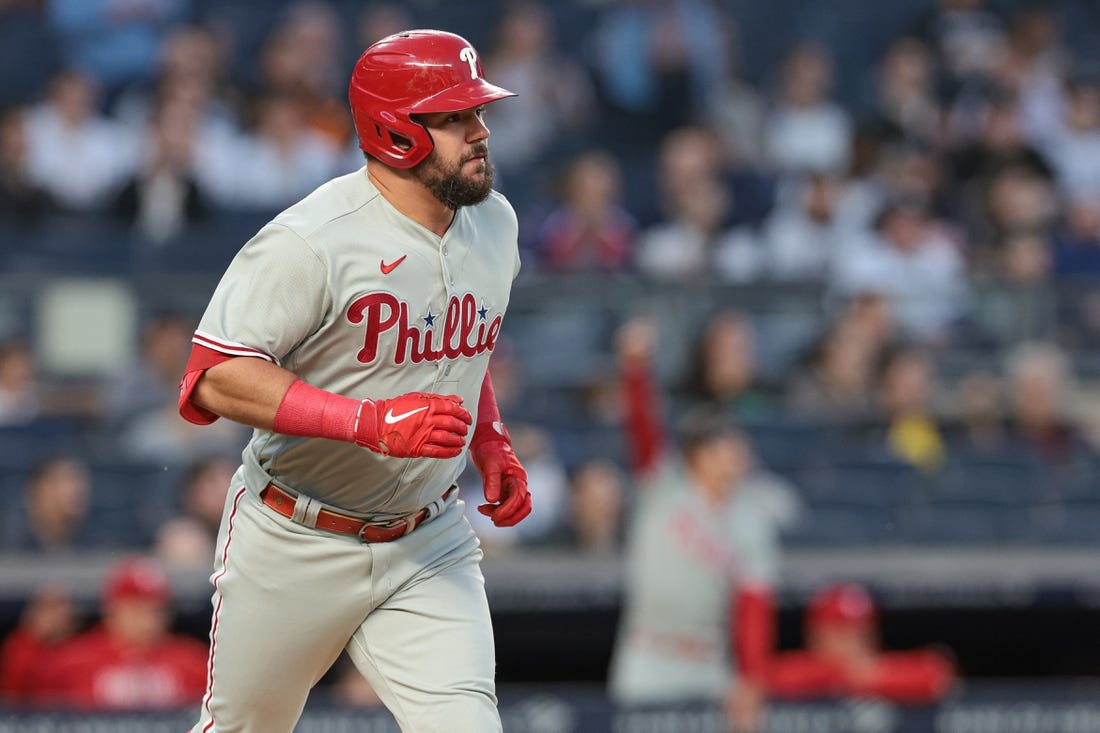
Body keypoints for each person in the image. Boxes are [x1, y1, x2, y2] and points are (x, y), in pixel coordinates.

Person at [176, 30, 531, 732]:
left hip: (428, 540)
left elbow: (466, 343)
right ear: (396, 131)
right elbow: (214, 377)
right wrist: (365, 423)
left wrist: (491, 438)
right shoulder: (312, 239)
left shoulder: (496, 223)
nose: (480, 131)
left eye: (479, 113)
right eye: (456, 117)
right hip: (296, 532)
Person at [608, 318, 795, 733]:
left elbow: (754, 606)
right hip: (650, 656)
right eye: (721, 444)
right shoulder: (664, 487)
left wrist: (751, 678)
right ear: (697, 453)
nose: (734, 453)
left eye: (735, 444)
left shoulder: (752, 518)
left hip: (709, 663)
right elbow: (642, 429)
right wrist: (635, 369)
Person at [1, 557, 209, 710]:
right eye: (136, 607)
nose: (148, 619)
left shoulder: (191, 660)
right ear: (112, 609)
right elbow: (15, 698)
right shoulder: (75, 658)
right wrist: (30, 638)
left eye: (156, 609)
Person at [767, 582, 955, 705]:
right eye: (841, 633)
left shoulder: (882, 669)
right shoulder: (800, 669)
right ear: (815, 636)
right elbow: (767, 679)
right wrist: (840, 675)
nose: (854, 643)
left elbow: (937, 673)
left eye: (861, 633)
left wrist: (875, 676)